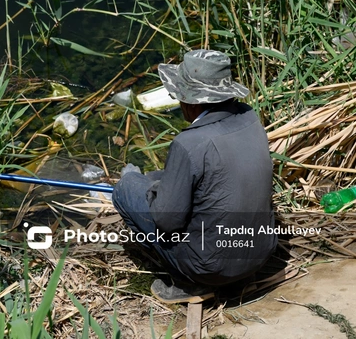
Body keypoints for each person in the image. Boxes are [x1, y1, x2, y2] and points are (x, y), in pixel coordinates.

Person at [112, 49, 277, 304]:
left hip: (211, 268)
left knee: (126, 186)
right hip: (260, 254)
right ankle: (238, 279)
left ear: (190, 101)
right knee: (162, 181)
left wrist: (149, 189)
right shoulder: (250, 117)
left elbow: (167, 223)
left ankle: (190, 284)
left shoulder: (189, 143)